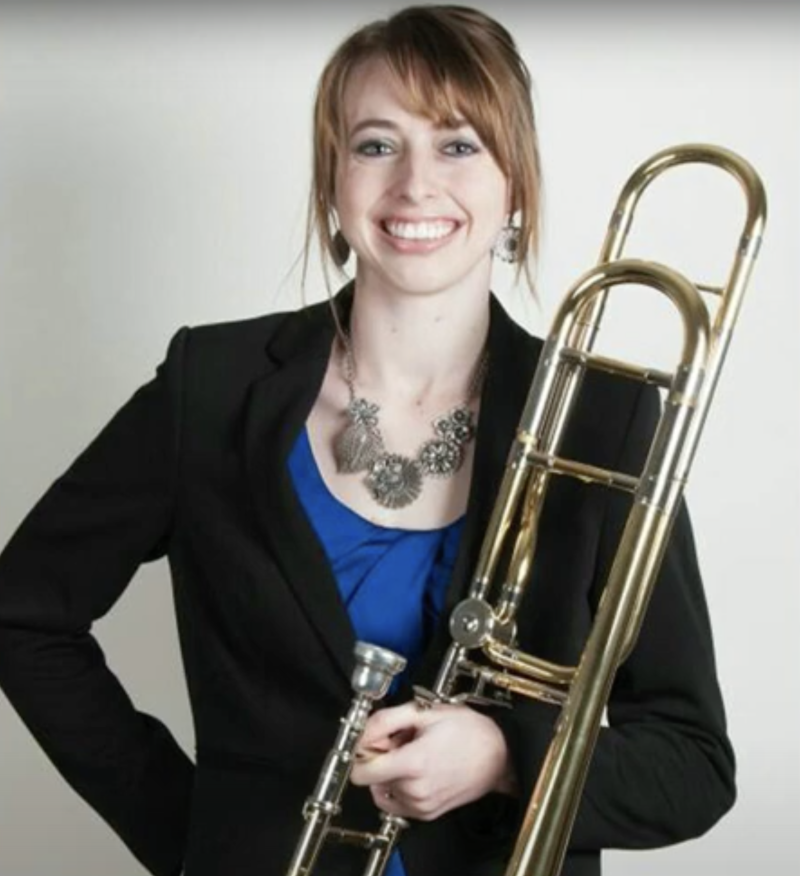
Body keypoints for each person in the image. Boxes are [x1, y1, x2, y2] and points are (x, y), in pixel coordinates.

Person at [0, 5, 736, 876]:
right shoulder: (214, 385)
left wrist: (507, 759)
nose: (416, 185)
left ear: (515, 185)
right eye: (377, 144)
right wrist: (194, 834)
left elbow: (692, 764)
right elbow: (23, 613)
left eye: (459, 145)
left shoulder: (607, 419)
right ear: (333, 181)